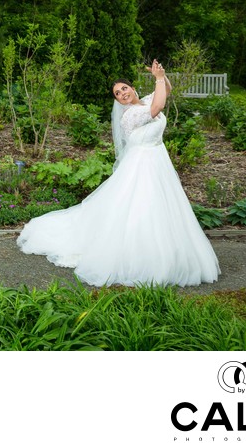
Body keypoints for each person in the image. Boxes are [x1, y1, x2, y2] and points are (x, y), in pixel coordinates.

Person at [17, 60, 220, 287]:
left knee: (162, 206)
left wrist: (161, 75)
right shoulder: (130, 116)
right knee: (141, 206)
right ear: (116, 101)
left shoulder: (143, 101)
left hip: (157, 161)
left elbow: (166, 92)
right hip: (143, 165)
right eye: (117, 93)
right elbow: (158, 108)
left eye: (124, 88)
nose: (122, 93)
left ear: (133, 88)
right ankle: (140, 253)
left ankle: (164, 250)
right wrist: (159, 79)